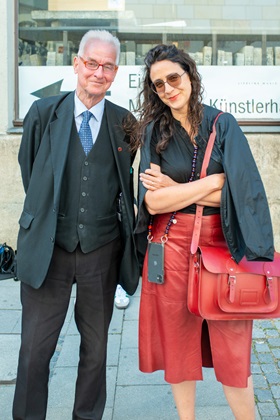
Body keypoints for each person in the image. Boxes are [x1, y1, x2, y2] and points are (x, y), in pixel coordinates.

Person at [134, 44, 274, 420]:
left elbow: (243, 189)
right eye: (158, 85)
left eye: (173, 78)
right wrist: (212, 182)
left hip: (221, 249)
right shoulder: (154, 131)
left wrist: (174, 188)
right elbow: (151, 204)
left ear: (190, 75)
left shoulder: (222, 124)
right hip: (171, 248)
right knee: (178, 348)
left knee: (233, 351)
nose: (168, 89)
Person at [13, 30, 140, 420]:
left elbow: (123, 181)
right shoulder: (42, 113)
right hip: (49, 250)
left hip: (100, 252)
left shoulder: (125, 124)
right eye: (91, 63)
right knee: (35, 350)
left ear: (115, 72)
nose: (98, 73)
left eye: (107, 66)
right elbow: (31, 171)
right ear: (76, 64)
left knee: (96, 351)